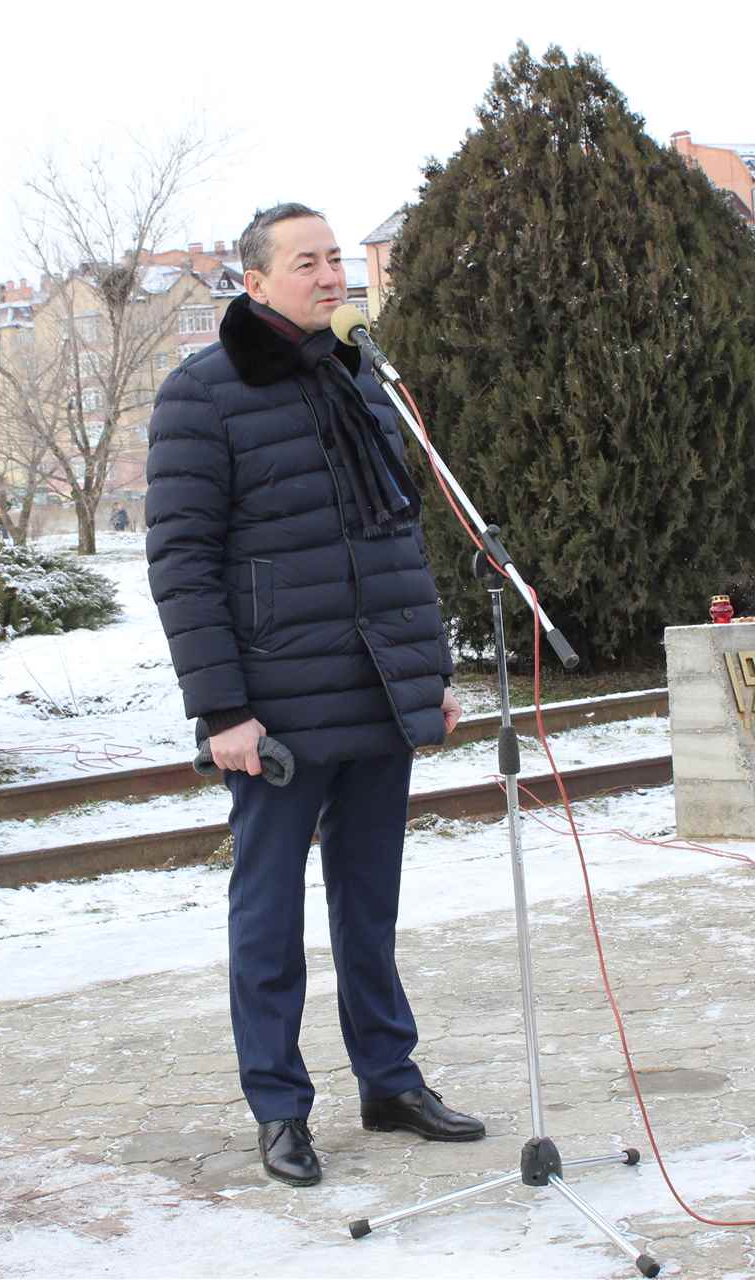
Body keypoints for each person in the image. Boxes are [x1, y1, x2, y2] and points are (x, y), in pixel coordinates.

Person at [145, 203, 476, 1188]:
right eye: (308, 262)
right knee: (268, 916)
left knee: (369, 905)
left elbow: (398, 539)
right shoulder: (201, 395)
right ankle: (279, 1106)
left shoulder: (361, 377)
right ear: (254, 282)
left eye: (336, 258)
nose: (332, 275)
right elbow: (182, 563)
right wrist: (222, 711)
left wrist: (427, 674)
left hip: (375, 690)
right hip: (276, 707)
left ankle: (390, 1079)